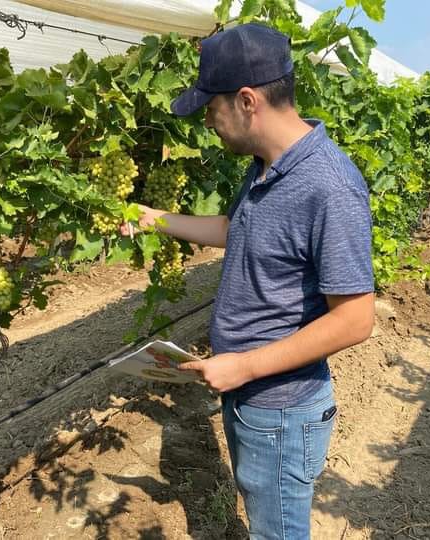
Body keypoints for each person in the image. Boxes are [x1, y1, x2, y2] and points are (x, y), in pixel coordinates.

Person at [125, 23, 375, 539]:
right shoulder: (266, 165)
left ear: (246, 101)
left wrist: (243, 366)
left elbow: (355, 319)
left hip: (280, 410)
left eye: (211, 109)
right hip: (250, 398)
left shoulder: (329, 186)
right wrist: (155, 219)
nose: (208, 122)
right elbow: (235, 228)